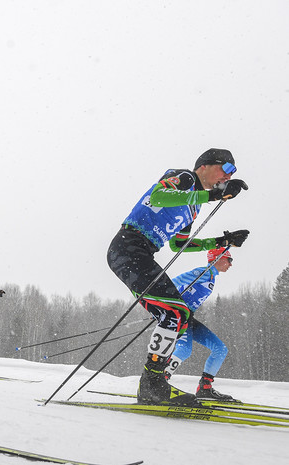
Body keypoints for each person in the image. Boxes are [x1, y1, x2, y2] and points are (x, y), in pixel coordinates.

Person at [106, 148, 249, 405]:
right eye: (226, 169)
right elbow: (159, 196)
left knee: (178, 315)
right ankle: (152, 386)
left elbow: (180, 245)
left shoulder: (193, 208)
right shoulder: (184, 178)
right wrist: (213, 195)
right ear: (205, 166)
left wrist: (222, 240)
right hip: (128, 247)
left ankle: (153, 384)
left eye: (232, 174)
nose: (227, 177)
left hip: (142, 252)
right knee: (175, 312)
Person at [165, 248, 237, 401]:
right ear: (219, 259)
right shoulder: (203, 272)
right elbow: (173, 282)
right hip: (178, 315)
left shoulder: (211, 276)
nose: (230, 264)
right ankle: (160, 381)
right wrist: (162, 306)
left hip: (188, 317)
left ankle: (205, 388)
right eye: (229, 260)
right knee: (184, 350)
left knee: (220, 349)